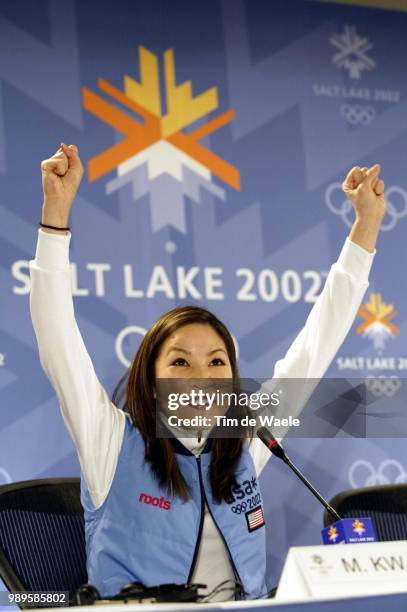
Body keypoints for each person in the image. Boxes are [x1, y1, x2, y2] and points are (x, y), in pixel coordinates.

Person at [29, 143, 386, 601]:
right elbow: (57, 338)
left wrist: (366, 226)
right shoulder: (110, 443)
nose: (202, 376)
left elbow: (315, 347)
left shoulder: (246, 440)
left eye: (216, 362)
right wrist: (55, 216)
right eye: (180, 361)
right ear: (151, 382)